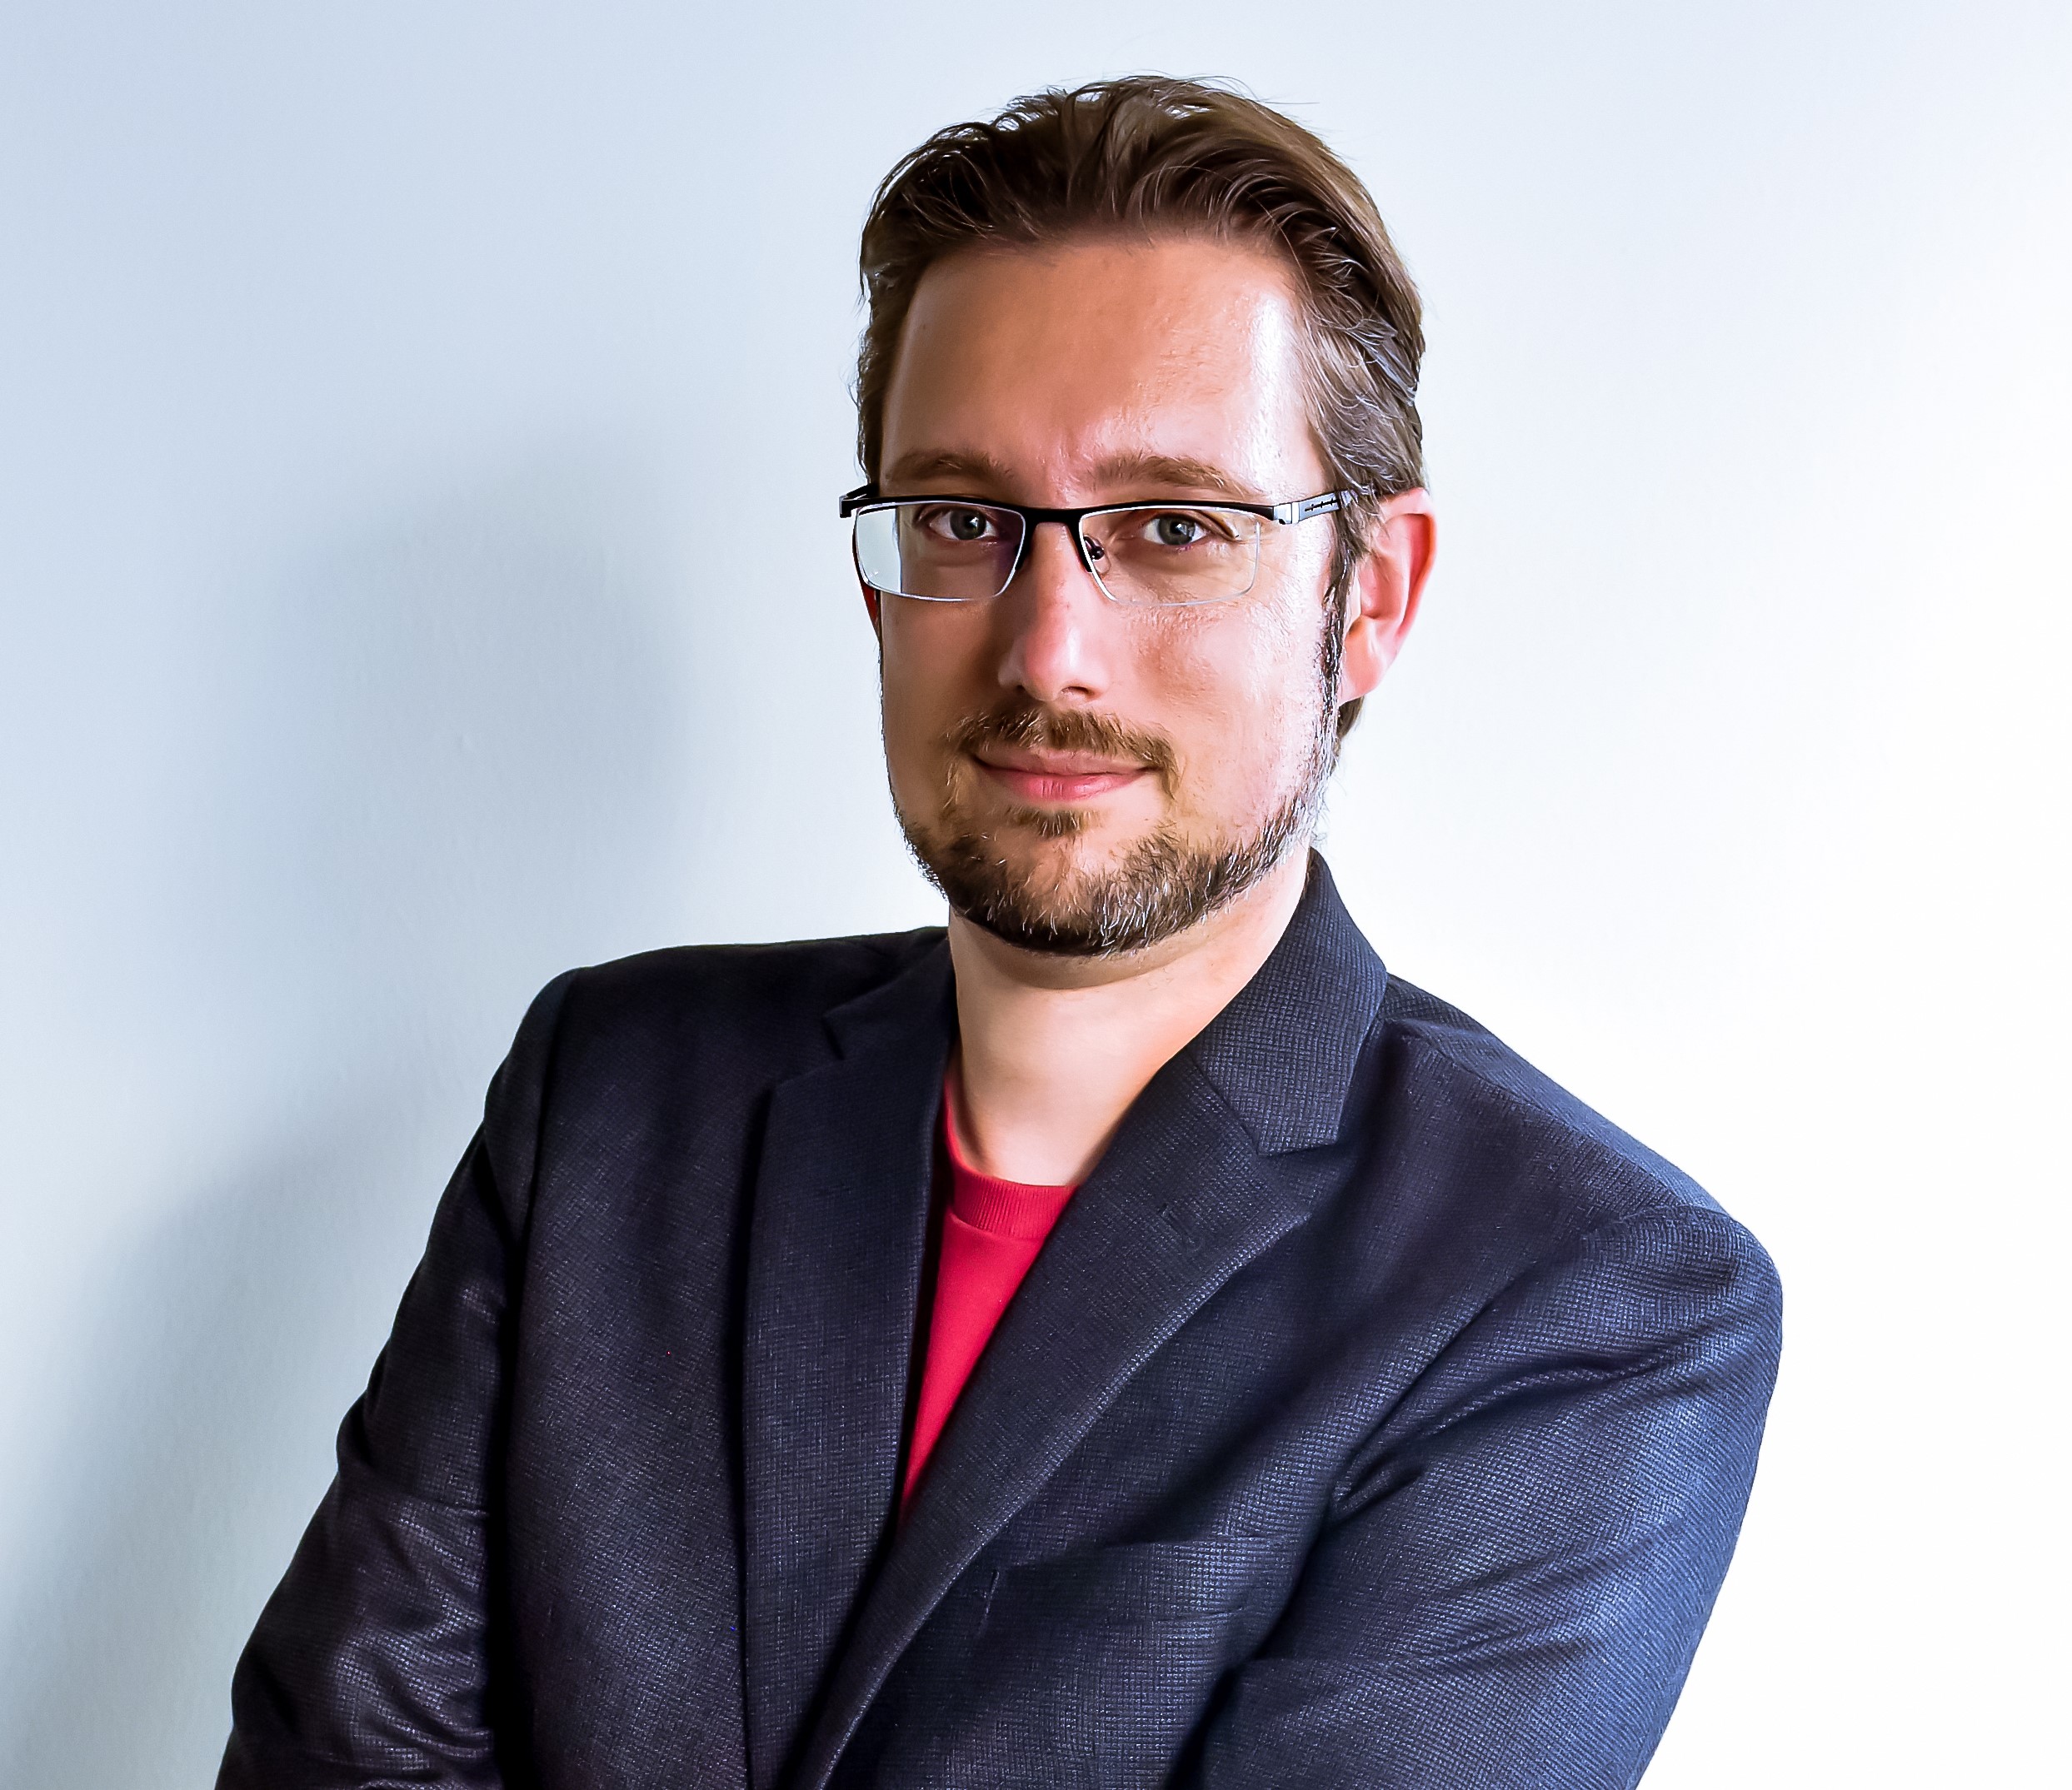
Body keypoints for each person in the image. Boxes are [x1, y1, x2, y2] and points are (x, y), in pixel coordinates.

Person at [218, 77, 1781, 1790]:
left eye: (1173, 529)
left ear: (1372, 598)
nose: (1049, 653)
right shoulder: (611, 1092)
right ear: (877, 578)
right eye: (965, 521)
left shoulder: (1580, 1289)